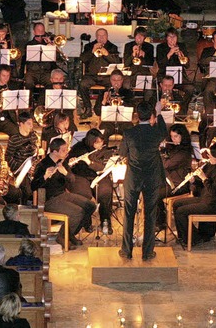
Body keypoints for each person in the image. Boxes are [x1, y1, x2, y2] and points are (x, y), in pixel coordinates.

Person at [118, 102, 168, 261]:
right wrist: (159, 113)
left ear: (136, 115)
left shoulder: (129, 133)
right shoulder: (156, 133)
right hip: (151, 177)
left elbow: (122, 153)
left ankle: (126, 250)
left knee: (129, 213)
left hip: (133, 177)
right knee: (150, 214)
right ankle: (147, 252)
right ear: (151, 116)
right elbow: (163, 130)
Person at [31, 138, 96, 250]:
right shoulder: (42, 165)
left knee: (90, 205)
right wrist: (45, 176)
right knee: (77, 212)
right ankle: (62, 237)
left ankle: (69, 234)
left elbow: (72, 180)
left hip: (62, 195)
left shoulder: (62, 162)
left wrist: (65, 172)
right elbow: (33, 186)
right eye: (64, 150)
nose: (67, 152)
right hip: (50, 200)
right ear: (55, 152)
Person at [173, 142, 216, 246]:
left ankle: (194, 238)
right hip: (204, 198)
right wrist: (193, 180)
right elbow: (202, 185)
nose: (208, 158)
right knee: (176, 204)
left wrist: (204, 178)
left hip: (213, 204)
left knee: (181, 211)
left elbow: (214, 191)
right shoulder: (208, 166)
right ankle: (183, 236)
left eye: (210, 156)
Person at [67, 128, 115, 231]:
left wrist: (89, 162)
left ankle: (105, 222)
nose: (100, 144)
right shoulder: (78, 148)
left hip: (99, 176)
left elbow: (102, 167)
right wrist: (71, 162)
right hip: (81, 176)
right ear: (91, 141)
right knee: (83, 195)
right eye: (97, 143)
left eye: (101, 142)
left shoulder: (104, 150)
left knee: (105, 193)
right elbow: (68, 165)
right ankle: (86, 222)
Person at [78, 28, 120, 118]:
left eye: (103, 35)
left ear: (107, 36)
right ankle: (88, 108)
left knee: (112, 85)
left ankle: (100, 106)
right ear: (96, 37)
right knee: (82, 84)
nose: (101, 38)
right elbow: (83, 59)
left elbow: (116, 62)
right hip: (91, 76)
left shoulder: (112, 47)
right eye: (99, 36)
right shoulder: (89, 46)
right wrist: (92, 51)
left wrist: (107, 54)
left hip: (106, 77)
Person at [157, 124, 193, 227]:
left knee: (156, 195)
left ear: (183, 136)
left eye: (176, 136)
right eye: (171, 136)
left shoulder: (184, 152)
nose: (173, 139)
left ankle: (160, 223)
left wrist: (161, 153)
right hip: (169, 181)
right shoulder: (173, 148)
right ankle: (159, 220)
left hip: (179, 185)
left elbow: (166, 165)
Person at [94, 69, 135, 144]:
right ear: (110, 80)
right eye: (114, 80)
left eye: (118, 80)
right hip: (108, 122)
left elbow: (133, 110)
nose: (116, 82)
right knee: (102, 133)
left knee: (131, 132)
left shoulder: (127, 93)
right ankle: (103, 153)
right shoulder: (104, 92)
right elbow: (97, 112)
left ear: (122, 80)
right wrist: (103, 101)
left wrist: (122, 102)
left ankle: (128, 153)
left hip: (124, 122)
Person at [22, 22, 56, 90]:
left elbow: (55, 60)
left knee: (51, 82)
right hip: (33, 72)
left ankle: (45, 99)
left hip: (46, 72)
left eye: (42, 30)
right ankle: (29, 99)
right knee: (28, 82)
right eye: (38, 30)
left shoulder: (48, 44)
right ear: (34, 32)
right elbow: (24, 60)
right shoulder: (29, 45)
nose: (41, 32)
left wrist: (51, 46)